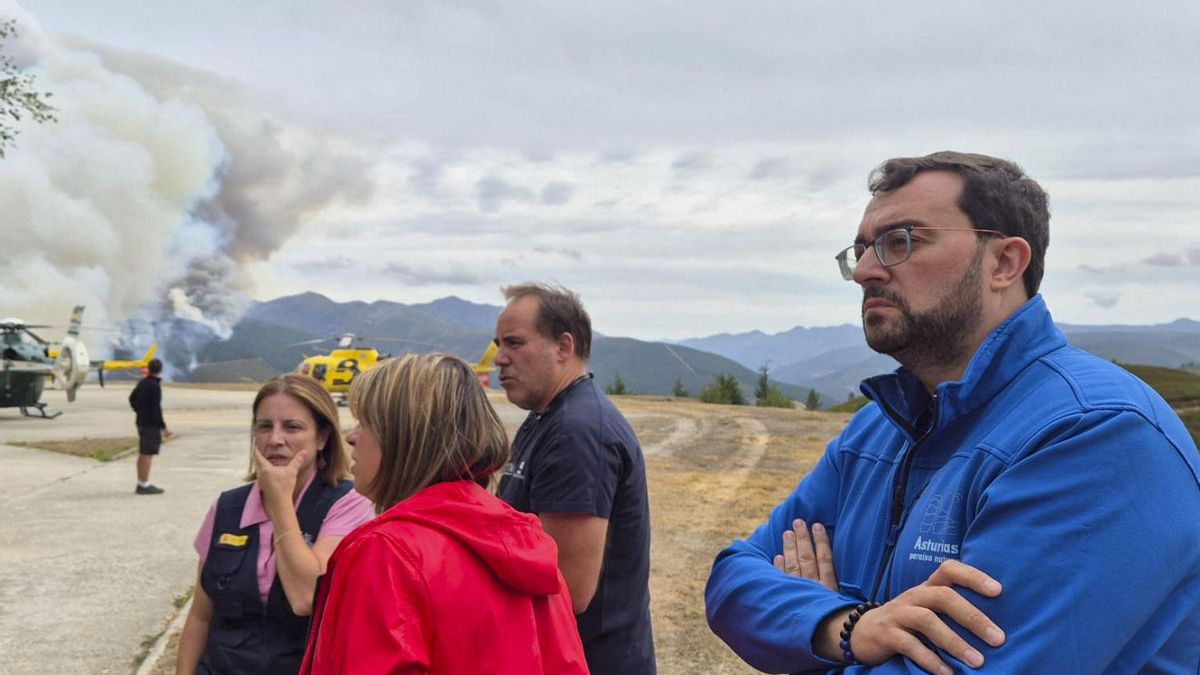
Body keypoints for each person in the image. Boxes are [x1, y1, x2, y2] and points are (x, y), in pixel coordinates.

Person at [705, 151, 1200, 674]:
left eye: (902, 241)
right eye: (862, 249)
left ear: (1004, 263)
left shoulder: (1097, 434)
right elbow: (732, 582)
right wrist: (849, 627)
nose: (865, 271)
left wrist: (805, 643)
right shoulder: (877, 431)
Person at [300, 354, 588, 674]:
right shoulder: (526, 543)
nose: (351, 436)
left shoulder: (387, 552)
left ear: (405, 438)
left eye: (366, 422)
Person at [494, 283, 656, 674]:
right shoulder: (546, 416)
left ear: (563, 347)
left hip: (591, 661)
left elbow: (567, 585)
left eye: (514, 343)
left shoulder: (577, 431)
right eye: (498, 343)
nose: (499, 358)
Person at [176, 374, 374, 675]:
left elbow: (306, 597)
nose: (275, 439)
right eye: (264, 426)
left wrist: (280, 501)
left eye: (292, 427)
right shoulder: (228, 508)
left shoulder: (348, 504)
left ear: (322, 438)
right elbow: (201, 616)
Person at [129, 357, 169, 495]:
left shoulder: (142, 383)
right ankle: (144, 483)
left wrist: (139, 411)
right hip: (150, 425)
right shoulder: (155, 386)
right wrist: (163, 427)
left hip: (141, 422)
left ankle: (141, 481)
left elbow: (132, 399)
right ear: (160, 370)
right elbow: (156, 409)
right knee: (148, 454)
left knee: (142, 452)